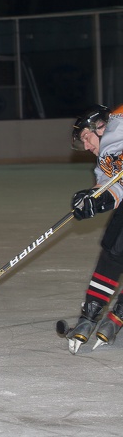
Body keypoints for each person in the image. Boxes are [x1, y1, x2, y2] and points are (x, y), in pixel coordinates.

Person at [63, 104, 123, 354]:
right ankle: (92, 313)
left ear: (100, 126)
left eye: (86, 138)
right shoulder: (104, 159)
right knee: (114, 245)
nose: (86, 146)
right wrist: (95, 200)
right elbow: (114, 188)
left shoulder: (117, 125)